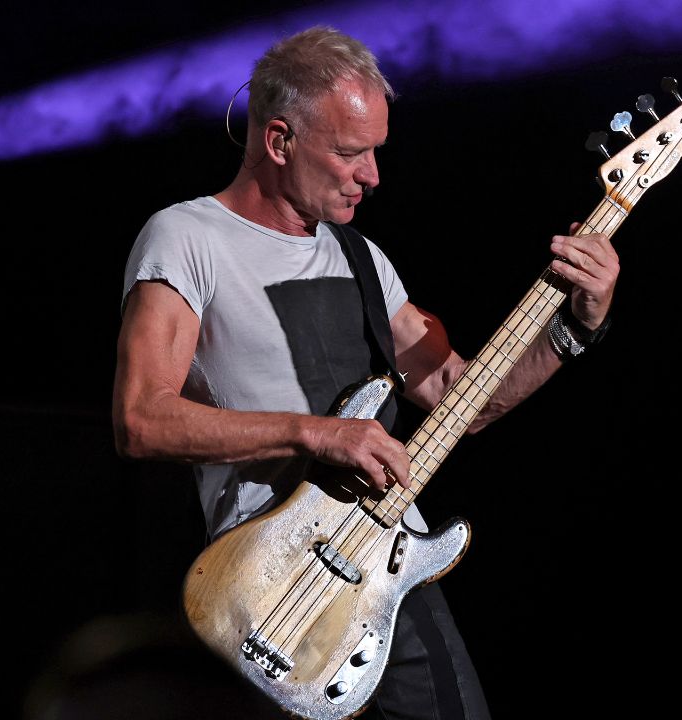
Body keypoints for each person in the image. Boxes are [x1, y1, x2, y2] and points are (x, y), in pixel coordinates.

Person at [111, 25, 618, 719]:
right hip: (269, 592)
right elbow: (141, 419)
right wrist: (315, 435)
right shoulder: (187, 237)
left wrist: (574, 327)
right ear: (280, 140)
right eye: (350, 153)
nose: (373, 175)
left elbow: (456, 396)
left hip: (389, 574)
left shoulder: (362, 259)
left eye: (376, 151)